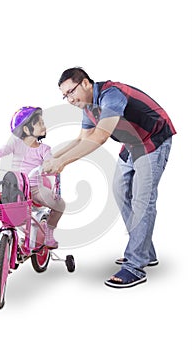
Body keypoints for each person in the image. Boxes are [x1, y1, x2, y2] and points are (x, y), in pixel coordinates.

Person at [42, 67, 176, 287]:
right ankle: (145, 251)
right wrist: (52, 157)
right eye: (64, 96)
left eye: (71, 92)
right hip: (132, 143)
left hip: (153, 140)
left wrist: (62, 163)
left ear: (85, 83)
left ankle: (135, 265)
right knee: (120, 190)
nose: (69, 99)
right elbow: (81, 140)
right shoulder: (88, 108)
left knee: (143, 200)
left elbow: (100, 136)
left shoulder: (111, 95)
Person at [0, 106, 65, 249]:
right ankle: (18, 239)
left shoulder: (44, 149)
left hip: (35, 189)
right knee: (6, 212)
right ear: (26, 130)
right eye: (39, 123)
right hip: (15, 188)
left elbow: (49, 160)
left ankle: (49, 232)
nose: (44, 126)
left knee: (59, 205)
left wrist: (49, 165)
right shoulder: (15, 144)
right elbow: (1, 151)